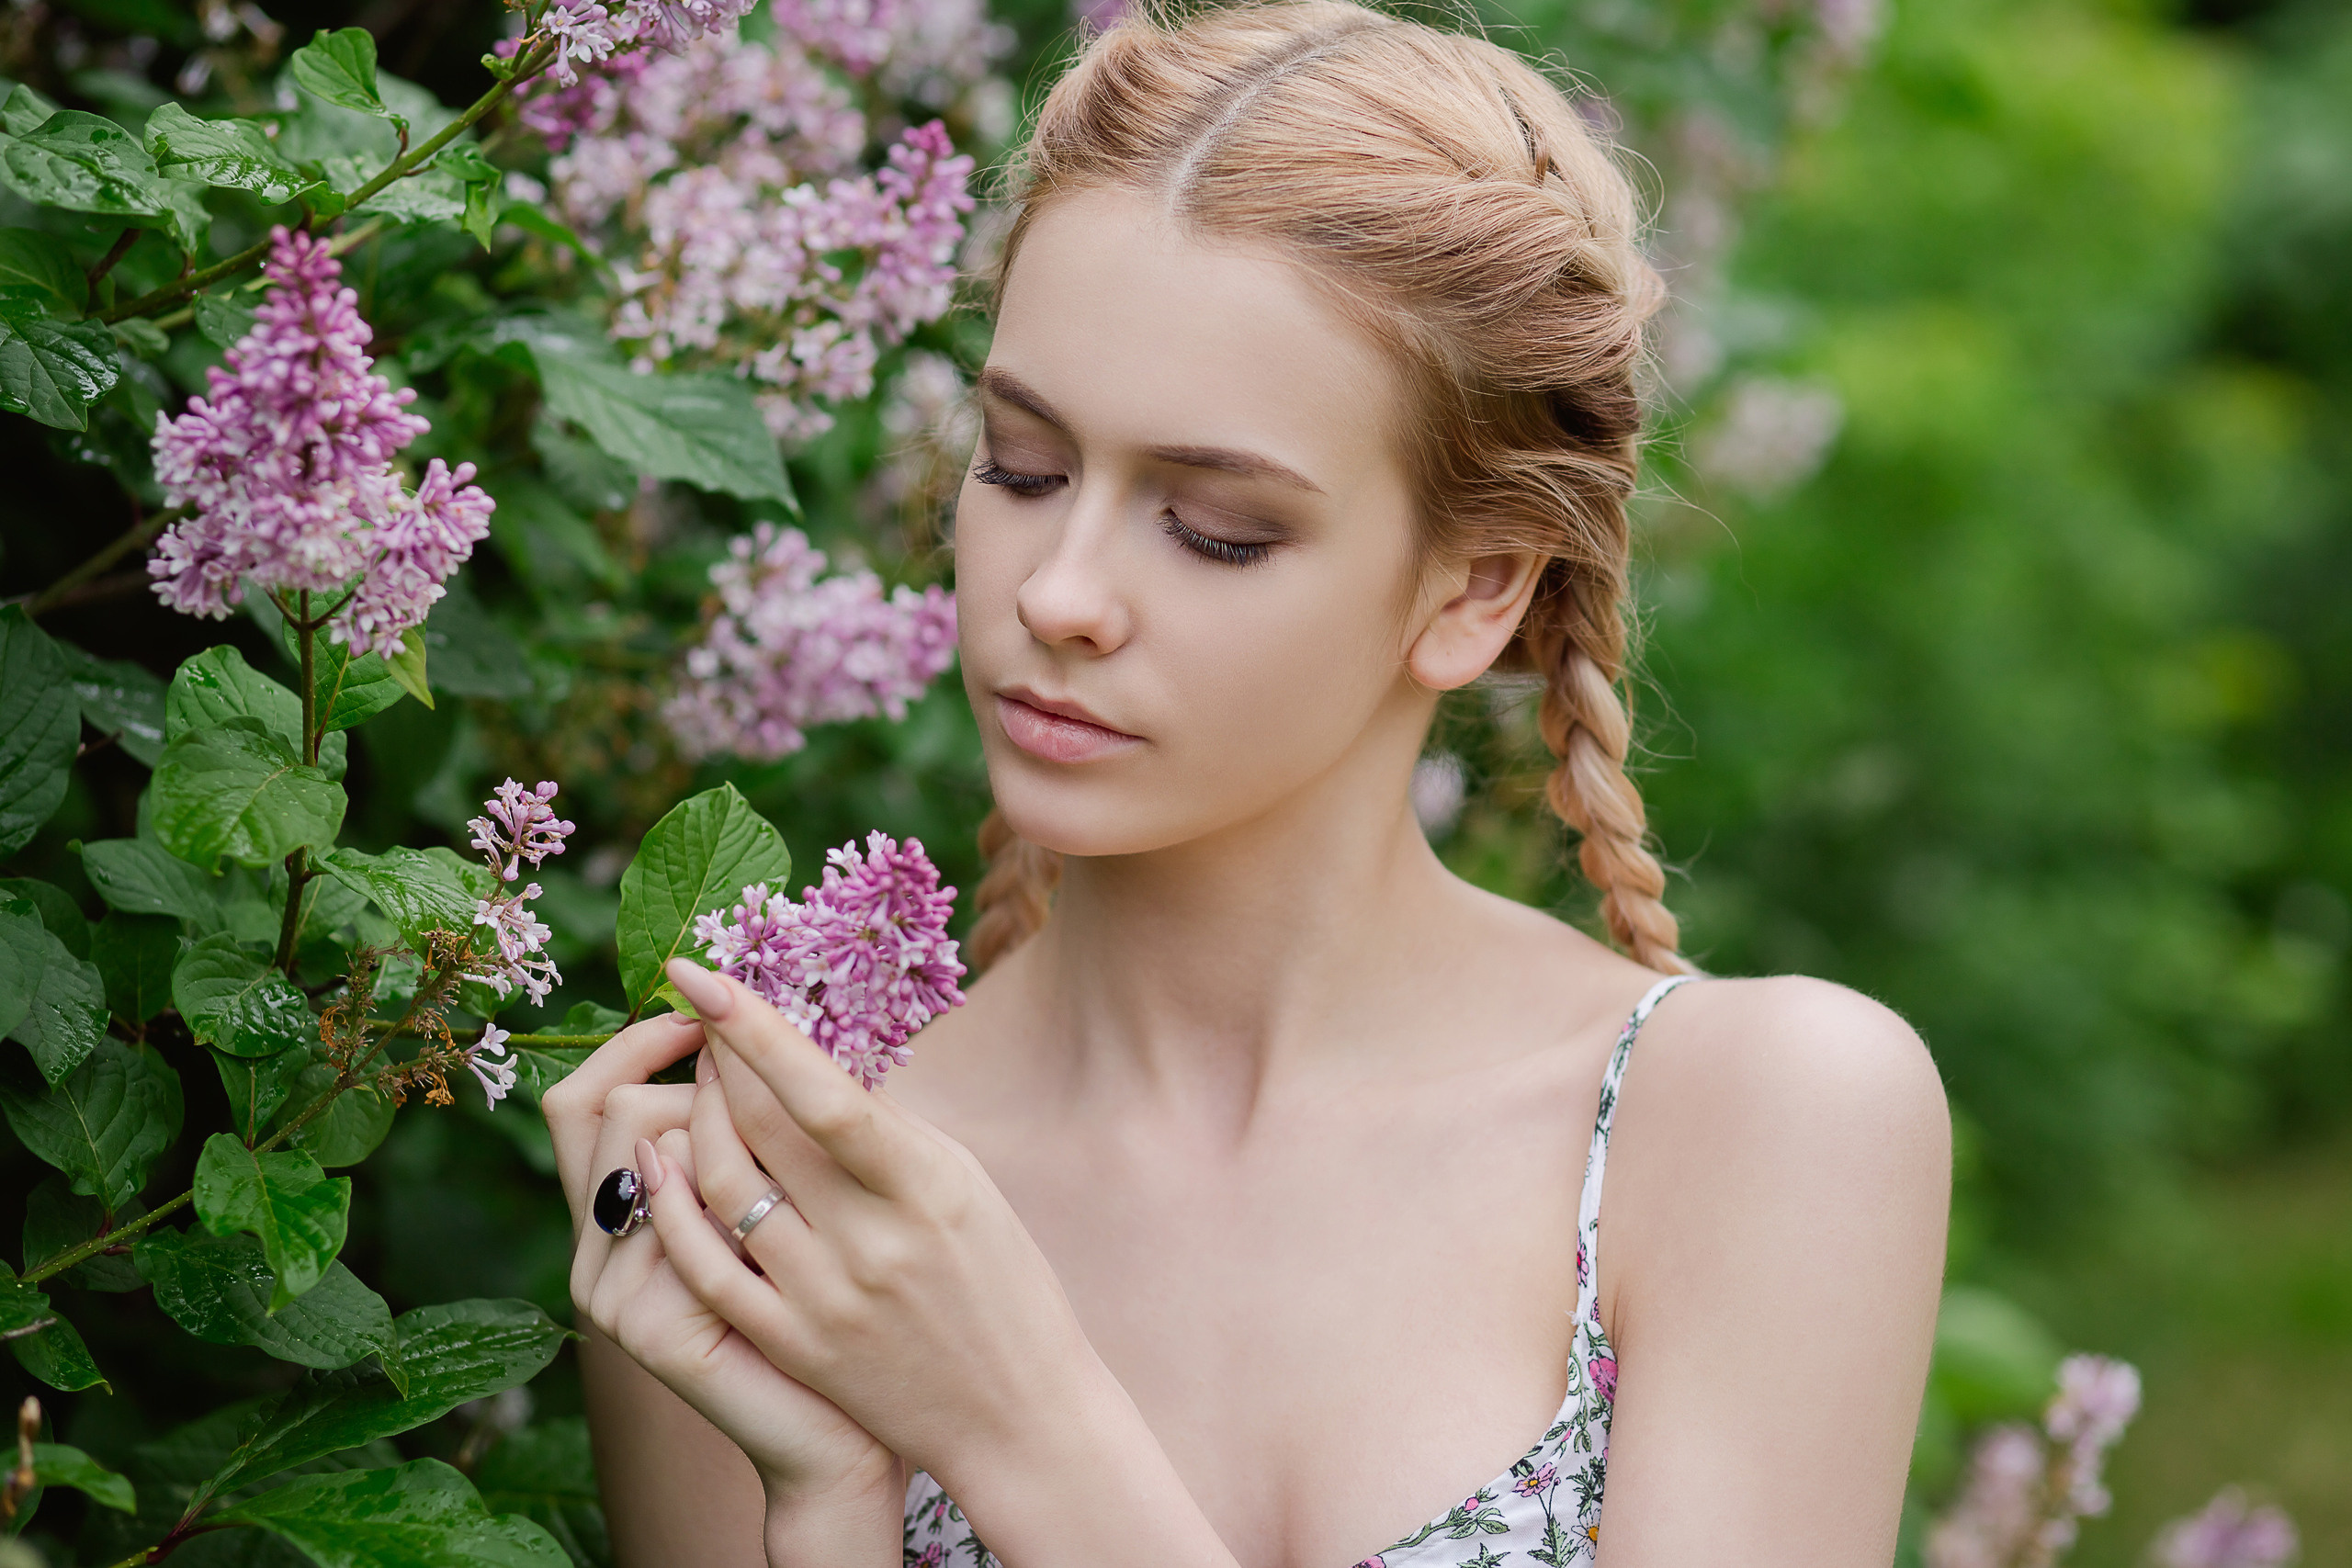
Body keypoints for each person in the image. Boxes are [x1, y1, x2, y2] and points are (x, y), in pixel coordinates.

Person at [544, 4, 1952, 1563]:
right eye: (1018, 465)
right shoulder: (772, 1202)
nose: (1058, 592)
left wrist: (1021, 1424)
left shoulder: (1758, 1127)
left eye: (1217, 527)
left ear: (1476, 585)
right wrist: (829, 1501)